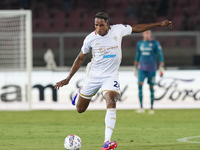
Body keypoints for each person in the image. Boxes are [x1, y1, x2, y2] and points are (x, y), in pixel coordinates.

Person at [54, 12, 172, 150]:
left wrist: (158, 24)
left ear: (107, 24)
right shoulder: (90, 39)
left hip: (110, 76)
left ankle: (107, 142)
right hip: (93, 77)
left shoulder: (118, 29)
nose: (99, 28)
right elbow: (80, 58)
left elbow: (137, 28)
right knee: (80, 109)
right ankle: (81, 92)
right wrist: (68, 78)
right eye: (96, 25)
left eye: (101, 25)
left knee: (111, 100)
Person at [133, 30, 164, 115]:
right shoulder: (139, 43)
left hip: (152, 69)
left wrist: (161, 66)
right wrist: (135, 66)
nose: (147, 34)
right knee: (140, 86)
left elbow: (160, 54)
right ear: (143, 34)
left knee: (151, 88)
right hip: (141, 69)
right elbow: (138, 54)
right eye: (145, 33)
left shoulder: (155, 43)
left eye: (148, 33)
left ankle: (151, 108)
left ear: (150, 34)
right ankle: (141, 107)